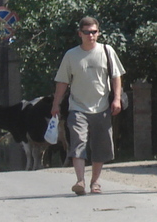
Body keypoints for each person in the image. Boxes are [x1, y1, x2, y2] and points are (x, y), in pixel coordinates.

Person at [51, 16, 124, 196]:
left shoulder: (107, 51)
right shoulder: (71, 55)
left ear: (98, 33)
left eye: (94, 32)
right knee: (78, 143)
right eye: (87, 32)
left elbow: (116, 77)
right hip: (78, 108)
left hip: (102, 107)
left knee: (101, 146)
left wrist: (116, 99)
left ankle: (95, 182)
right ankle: (80, 181)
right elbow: (62, 82)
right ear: (80, 34)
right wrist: (56, 104)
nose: (91, 35)